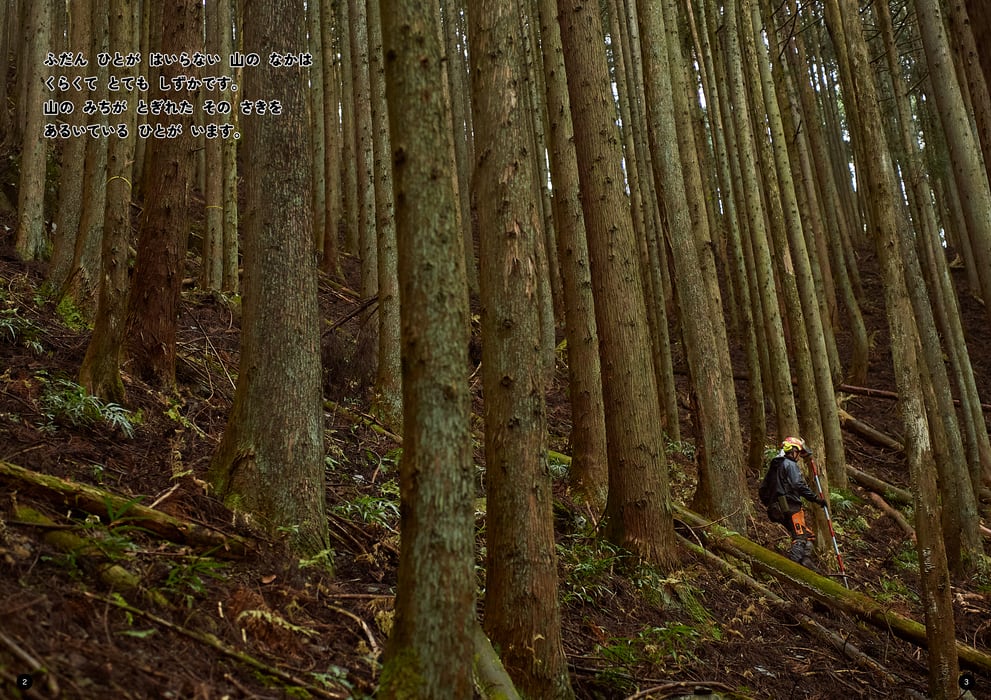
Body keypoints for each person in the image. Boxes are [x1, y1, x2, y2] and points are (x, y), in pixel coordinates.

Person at [759, 436, 827, 570]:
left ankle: (805, 561)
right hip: (791, 507)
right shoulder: (789, 464)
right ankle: (791, 569)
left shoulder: (776, 465)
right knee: (801, 538)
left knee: (808, 536)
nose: (799, 457)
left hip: (777, 508)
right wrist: (816, 499)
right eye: (799, 453)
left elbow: (764, 489)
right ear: (793, 451)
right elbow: (798, 484)